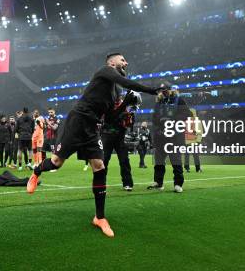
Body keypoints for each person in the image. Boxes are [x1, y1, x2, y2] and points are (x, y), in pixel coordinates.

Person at [27, 53, 163, 238]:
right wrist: (153, 90)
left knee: (99, 166)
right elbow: (128, 83)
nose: (126, 62)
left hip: (93, 126)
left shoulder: (116, 90)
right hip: (77, 120)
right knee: (57, 163)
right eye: (122, 60)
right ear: (112, 62)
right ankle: (36, 171)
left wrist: (126, 103)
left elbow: (112, 116)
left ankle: (99, 217)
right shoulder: (105, 71)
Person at [149, 86, 190, 193]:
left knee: (176, 160)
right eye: (162, 90)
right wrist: (160, 120)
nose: (164, 92)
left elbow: (188, 114)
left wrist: (173, 119)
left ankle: (178, 184)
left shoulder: (179, 100)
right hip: (161, 136)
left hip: (174, 136)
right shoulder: (159, 102)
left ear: (171, 90)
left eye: (166, 90)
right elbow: (154, 118)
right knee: (158, 161)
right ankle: (158, 182)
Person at [101, 92, 139, 191]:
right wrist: (120, 116)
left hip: (120, 136)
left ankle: (127, 183)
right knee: (104, 160)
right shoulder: (108, 104)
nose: (118, 97)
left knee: (124, 160)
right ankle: (100, 183)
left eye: (119, 96)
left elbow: (129, 124)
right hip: (107, 134)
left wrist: (130, 118)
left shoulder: (126, 106)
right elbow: (107, 119)